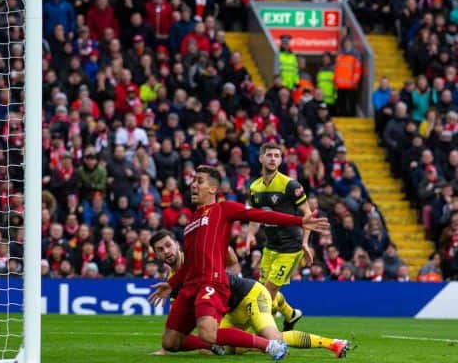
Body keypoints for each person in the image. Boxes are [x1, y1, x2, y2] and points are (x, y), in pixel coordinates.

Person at [148, 165, 329, 360]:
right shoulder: (191, 222)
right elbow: (189, 263)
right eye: (193, 181)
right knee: (170, 342)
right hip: (190, 286)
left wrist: (299, 221)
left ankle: (270, 345)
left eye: (199, 181)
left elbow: (261, 215)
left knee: (207, 333)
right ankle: (220, 346)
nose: (193, 185)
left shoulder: (223, 209)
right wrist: (172, 284)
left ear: (212, 189)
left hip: (211, 283)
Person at [149, 230, 350, 358]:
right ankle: (274, 320)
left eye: (168, 245)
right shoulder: (171, 281)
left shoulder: (197, 256)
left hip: (249, 294)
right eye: (160, 249)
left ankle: (332, 343)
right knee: (210, 346)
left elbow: (230, 257)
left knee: (274, 338)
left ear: (177, 244)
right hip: (230, 310)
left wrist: (218, 247)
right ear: (156, 255)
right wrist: (168, 344)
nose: (166, 251)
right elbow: (180, 316)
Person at [248, 143, 314, 331]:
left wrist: (305, 243)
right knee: (261, 289)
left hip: (290, 247)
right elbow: (255, 216)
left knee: (266, 293)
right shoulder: (254, 187)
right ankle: (291, 314)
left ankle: (267, 336)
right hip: (270, 246)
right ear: (261, 158)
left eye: (277, 155)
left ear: (281, 159)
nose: (273, 159)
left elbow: (307, 215)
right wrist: (249, 236)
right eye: (269, 155)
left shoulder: (290, 185)